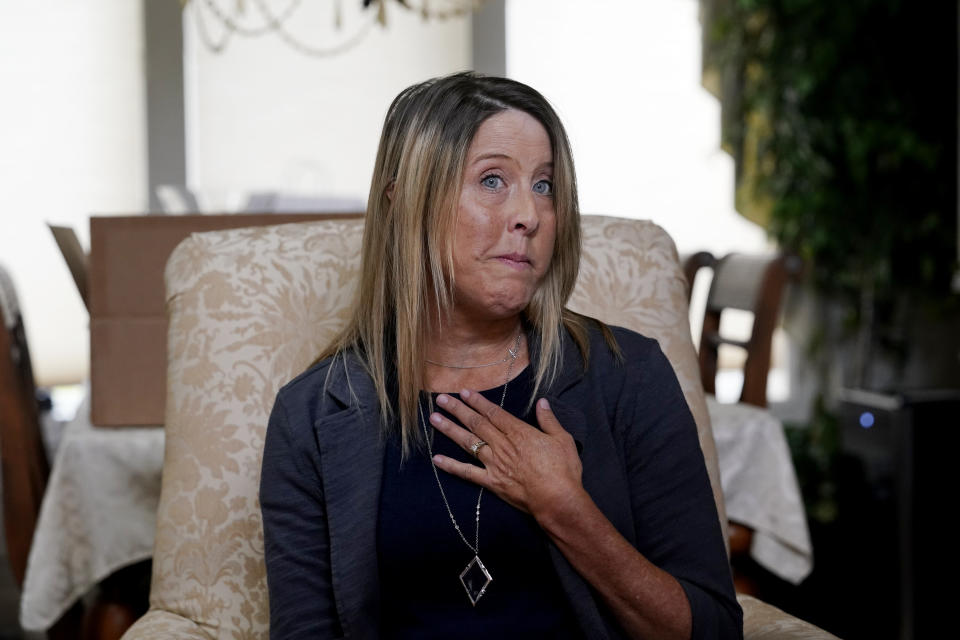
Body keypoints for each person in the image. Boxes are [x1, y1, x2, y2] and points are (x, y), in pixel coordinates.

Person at [259, 72, 742, 639]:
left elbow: (713, 629)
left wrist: (565, 509)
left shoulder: (627, 375)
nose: (530, 216)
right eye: (492, 180)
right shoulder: (313, 414)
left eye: (544, 186)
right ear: (405, 204)